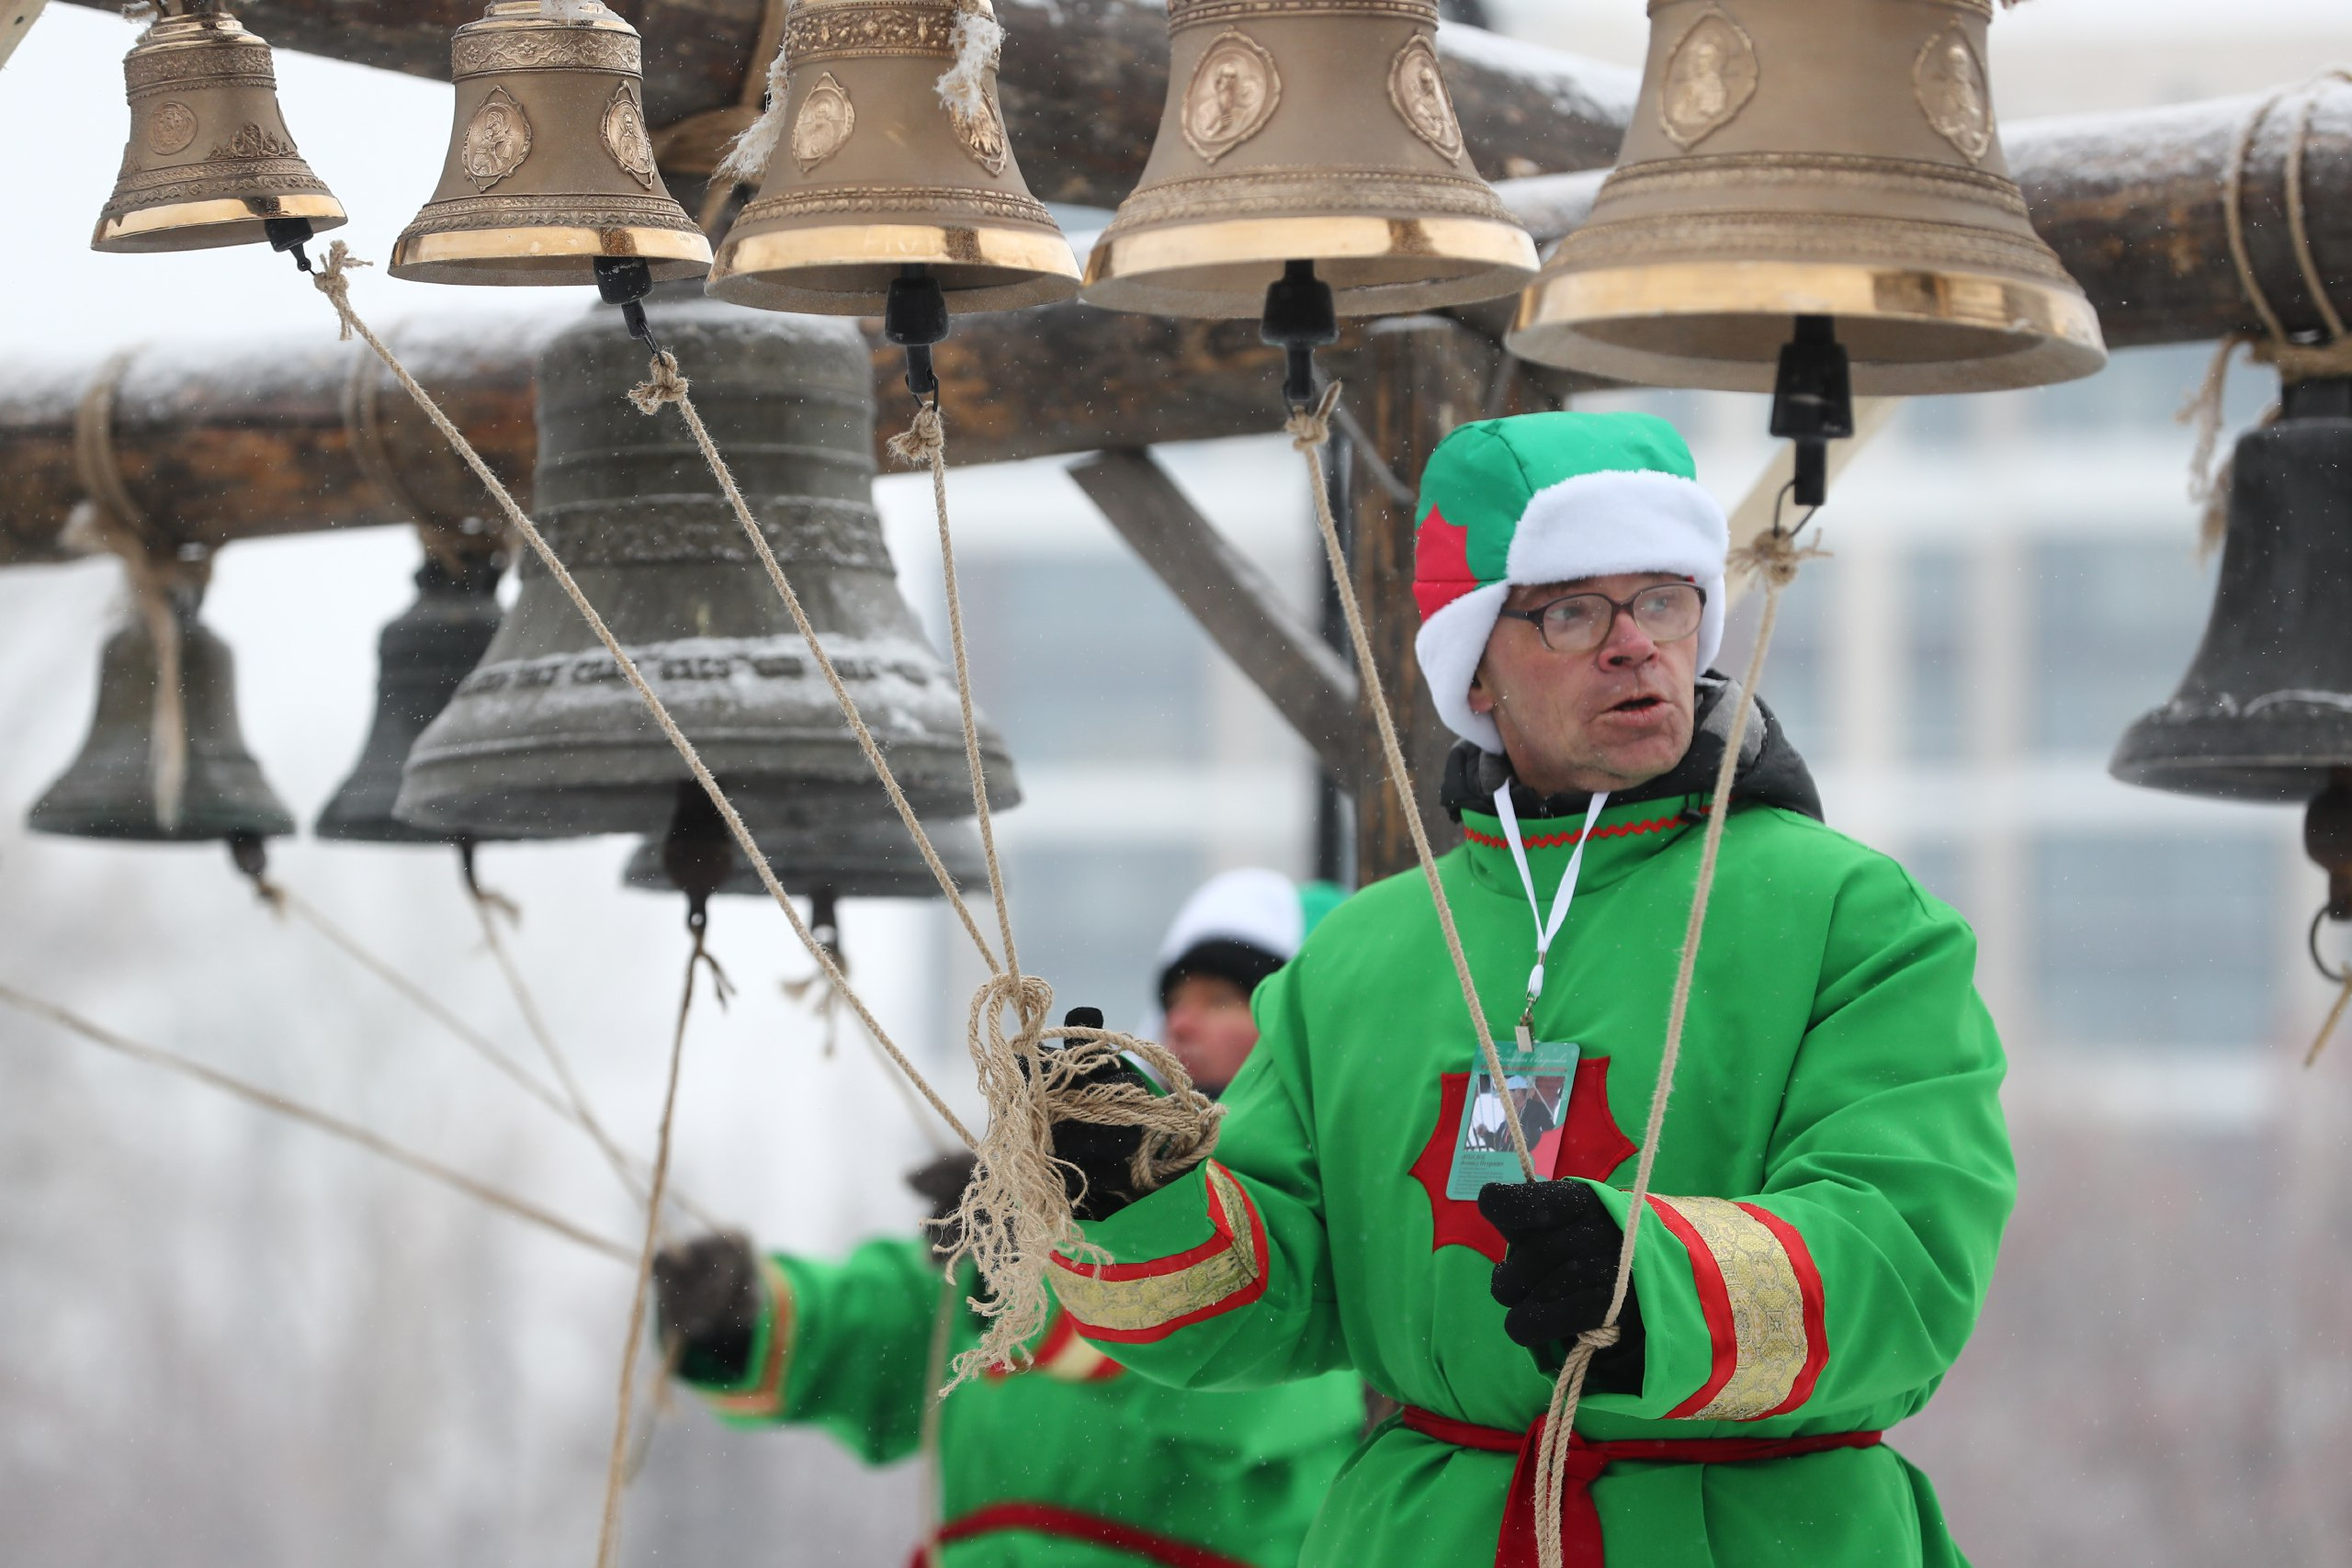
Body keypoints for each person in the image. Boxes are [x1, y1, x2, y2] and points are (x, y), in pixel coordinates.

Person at [1041, 412, 2015, 1568]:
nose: (1634, 644)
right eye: (1570, 609)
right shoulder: (1356, 960)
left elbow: (1907, 1252)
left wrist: (1651, 1287)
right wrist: (1128, 1194)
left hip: (1759, 1532)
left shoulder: (1852, 919)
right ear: (1475, 663)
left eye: (1663, 598)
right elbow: (1268, 1304)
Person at [650, 870, 1363, 1568]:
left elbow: (1239, 1375)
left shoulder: (1325, 1236)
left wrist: (1034, 1271)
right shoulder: (1082, 1199)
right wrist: (761, 1315)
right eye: (1176, 996)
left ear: (1296, 1027)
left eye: (1225, 997)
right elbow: (908, 1328)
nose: (1181, 1018)